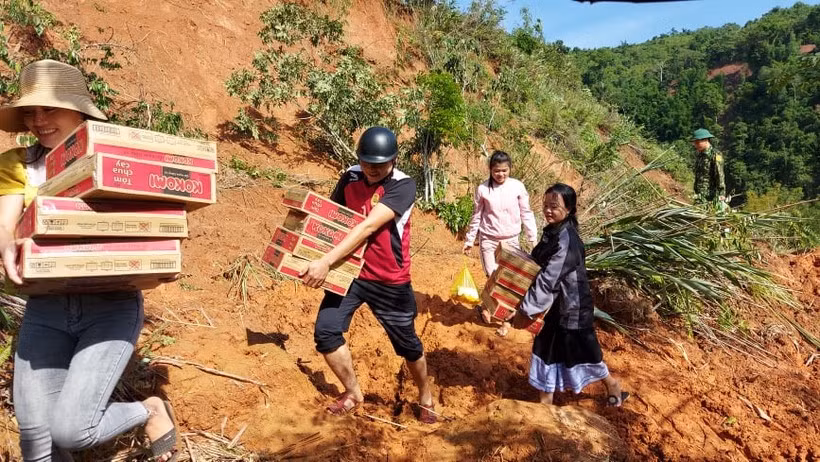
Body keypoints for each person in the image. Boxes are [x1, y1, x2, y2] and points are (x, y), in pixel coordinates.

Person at [0, 60, 177, 461]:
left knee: (72, 430)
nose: (39, 120)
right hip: (45, 308)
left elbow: (154, 216)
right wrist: (7, 244)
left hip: (109, 306)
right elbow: (6, 221)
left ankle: (148, 410)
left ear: (79, 109)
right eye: (31, 111)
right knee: (36, 438)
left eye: (50, 108)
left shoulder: (115, 158)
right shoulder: (18, 164)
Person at [300, 126, 436, 424]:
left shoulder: (403, 185)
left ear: (394, 160)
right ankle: (353, 392)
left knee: (408, 345)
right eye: (366, 162)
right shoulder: (350, 175)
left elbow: (367, 227)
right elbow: (333, 216)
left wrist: (325, 262)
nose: (372, 168)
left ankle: (425, 393)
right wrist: (305, 250)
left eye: (380, 163)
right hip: (350, 273)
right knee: (326, 332)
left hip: (389, 280)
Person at [512, 183, 628, 407]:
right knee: (545, 348)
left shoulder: (568, 241)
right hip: (555, 306)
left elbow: (548, 280)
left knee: (584, 351)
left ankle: (611, 384)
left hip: (573, 308)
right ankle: (545, 402)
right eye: (545, 205)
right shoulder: (551, 232)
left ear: (570, 209)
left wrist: (526, 310)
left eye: (554, 206)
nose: (547, 210)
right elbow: (535, 263)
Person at [463, 150, 537, 336]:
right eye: (497, 171)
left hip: (511, 240)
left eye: (504, 170)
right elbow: (477, 216)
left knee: (509, 282)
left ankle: (506, 321)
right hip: (488, 240)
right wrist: (470, 240)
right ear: (490, 170)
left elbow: (526, 212)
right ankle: (489, 307)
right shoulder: (483, 189)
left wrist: (532, 236)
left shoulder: (517, 187)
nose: (501, 174)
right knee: (493, 276)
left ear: (510, 169)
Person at [690, 128, 727, 206]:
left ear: (705, 140)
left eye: (697, 142)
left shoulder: (715, 155)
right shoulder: (700, 156)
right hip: (699, 195)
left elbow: (719, 175)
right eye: (694, 143)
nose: (695, 145)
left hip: (711, 196)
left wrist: (721, 194)